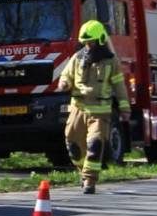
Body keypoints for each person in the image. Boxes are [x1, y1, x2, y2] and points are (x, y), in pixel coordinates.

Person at [55, 20, 131, 194]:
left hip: (100, 112)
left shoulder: (111, 62)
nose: (88, 46)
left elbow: (119, 86)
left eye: (91, 42)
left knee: (95, 144)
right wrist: (65, 83)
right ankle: (83, 172)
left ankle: (90, 180)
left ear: (101, 40)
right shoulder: (77, 58)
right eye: (86, 43)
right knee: (73, 146)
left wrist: (125, 108)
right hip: (78, 108)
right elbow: (65, 75)